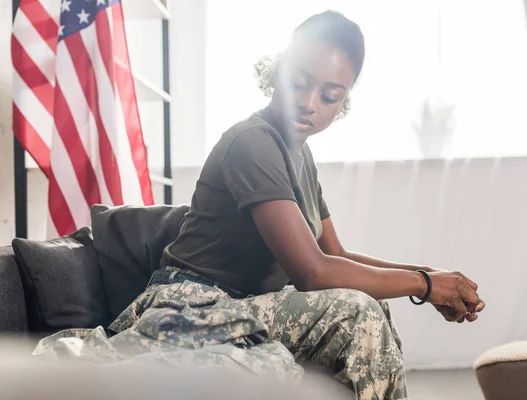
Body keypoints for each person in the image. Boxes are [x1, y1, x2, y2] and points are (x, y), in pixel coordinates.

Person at [151, 10, 485, 400]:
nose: (309, 103)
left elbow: (336, 253)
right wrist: (426, 286)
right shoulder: (252, 143)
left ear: (344, 100)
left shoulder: (301, 157)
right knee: (355, 314)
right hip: (190, 309)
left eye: (330, 95)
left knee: (371, 303)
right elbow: (312, 271)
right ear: (277, 71)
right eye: (297, 82)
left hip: (242, 308)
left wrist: (428, 274)